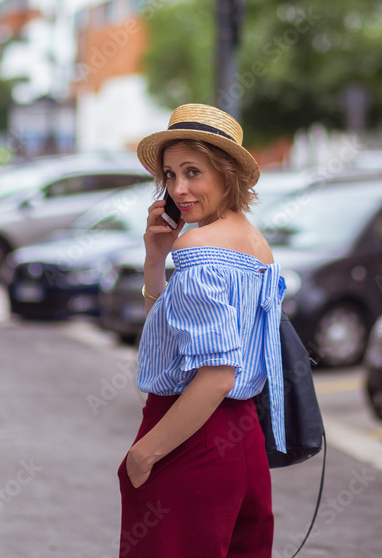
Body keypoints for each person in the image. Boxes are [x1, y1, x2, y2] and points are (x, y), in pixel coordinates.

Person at [118, 103, 287, 557]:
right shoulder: (254, 243)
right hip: (243, 440)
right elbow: (168, 335)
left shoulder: (200, 250)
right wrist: (156, 260)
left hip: (190, 436)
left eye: (193, 172)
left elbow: (216, 375)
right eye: (171, 175)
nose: (179, 189)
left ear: (227, 174)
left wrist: (145, 453)